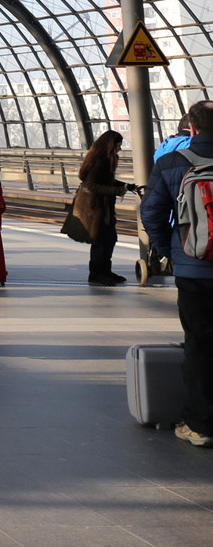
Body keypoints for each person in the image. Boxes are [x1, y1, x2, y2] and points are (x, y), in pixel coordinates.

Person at [141, 101, 213, 448]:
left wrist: (172, 254)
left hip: (194, 267)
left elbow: (152, 214)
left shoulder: (172, 162)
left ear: (193, 129)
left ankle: (201, 424)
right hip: (193, 266)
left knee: (199, 344)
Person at [76, 130, 133, 285]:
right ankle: (96, 273)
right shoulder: (99, 161)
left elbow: (107, 180)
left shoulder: (106, 159)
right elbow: (91, 184)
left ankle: (105, 271)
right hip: (96, 207)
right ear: (110, 145)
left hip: (103, 206)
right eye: (118, 146)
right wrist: (118, 190)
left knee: (109, 238)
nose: (120, 149)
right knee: (100, 239)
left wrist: (127, 186)